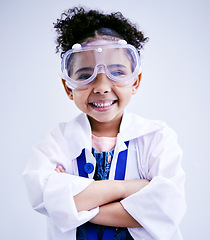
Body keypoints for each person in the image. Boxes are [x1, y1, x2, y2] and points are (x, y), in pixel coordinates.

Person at [23, 7, 186, 240]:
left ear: (135, 81)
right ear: (68, 87)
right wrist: (129, 188)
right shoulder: (57, 141)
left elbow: (167, 208)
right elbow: (43, 199)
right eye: (84, 75)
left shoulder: (157, 137)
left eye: (117, 72)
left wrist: (75, 205)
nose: (101, 87)